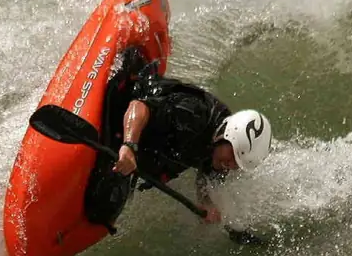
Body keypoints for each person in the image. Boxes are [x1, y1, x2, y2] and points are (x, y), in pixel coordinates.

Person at [83, 52, 272, 230]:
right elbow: (139, 106)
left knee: (103, 211)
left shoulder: (221, 153)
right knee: (100, 206)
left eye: (235, 166)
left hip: (141, 148)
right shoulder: (192, 114)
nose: (229, 166)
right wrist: (129, 147)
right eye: (232, 158)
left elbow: (206, 175)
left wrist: (205, 202)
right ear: (227, 135)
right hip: (121, 112)